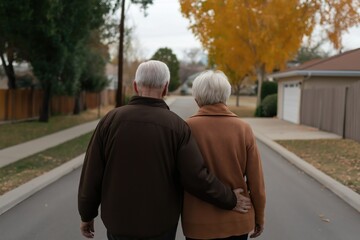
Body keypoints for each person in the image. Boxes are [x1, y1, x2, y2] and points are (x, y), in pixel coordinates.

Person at [78, 60, 251, 240]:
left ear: (136, 86)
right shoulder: (176, 127)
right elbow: (196, 177)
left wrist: (86, 214)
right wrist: (230, 199)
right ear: (166, 88)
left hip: (118, 224)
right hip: (160, 226)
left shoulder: (109, 122)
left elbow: (92, 173)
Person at [182, 70, 266, 240]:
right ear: (226, 95)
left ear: (197, 97)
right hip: (237, 221)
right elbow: (256, 181)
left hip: (198, 224)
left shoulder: (186, 128)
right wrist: (259, 217)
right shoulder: (243, 129)